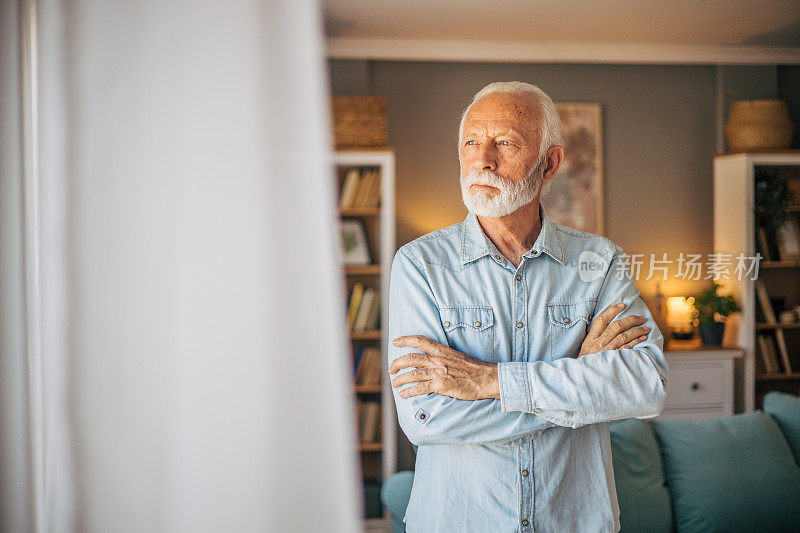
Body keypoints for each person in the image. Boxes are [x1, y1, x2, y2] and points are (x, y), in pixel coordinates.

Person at [387, 81, 668, 532]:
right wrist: (578, 386)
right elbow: (426, 419)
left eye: (505, 143)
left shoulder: (600, 262)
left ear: (549, 163)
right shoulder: (420, 265)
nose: (483, 159)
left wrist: (488, 381)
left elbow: (646, 385)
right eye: (471, 142)